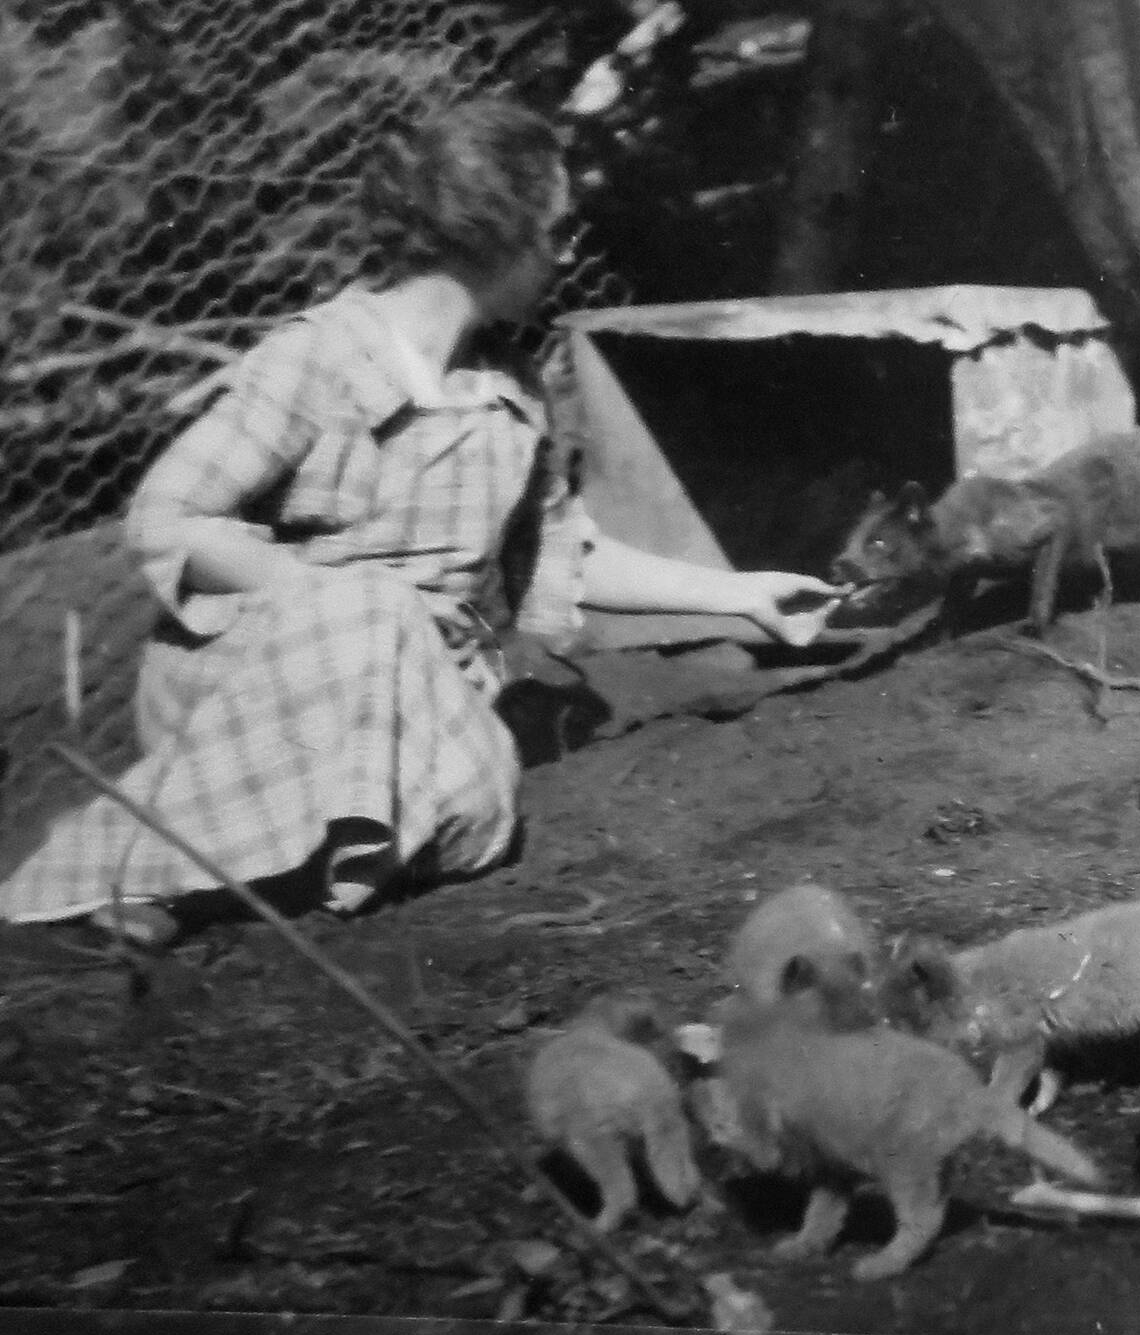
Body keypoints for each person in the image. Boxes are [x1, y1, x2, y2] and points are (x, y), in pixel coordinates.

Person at [0, 96, 842, 941]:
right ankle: (147, 875)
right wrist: (334, 597)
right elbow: (166, 517)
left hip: (415, 683)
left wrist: (742, 595)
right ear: (495, 232)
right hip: (265, 673)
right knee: (373, 617)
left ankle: (283, 862)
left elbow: (561, 558)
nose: (565, 251)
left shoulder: (510, 390)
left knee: (482, 810)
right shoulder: (321, 359)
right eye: (552, 228)